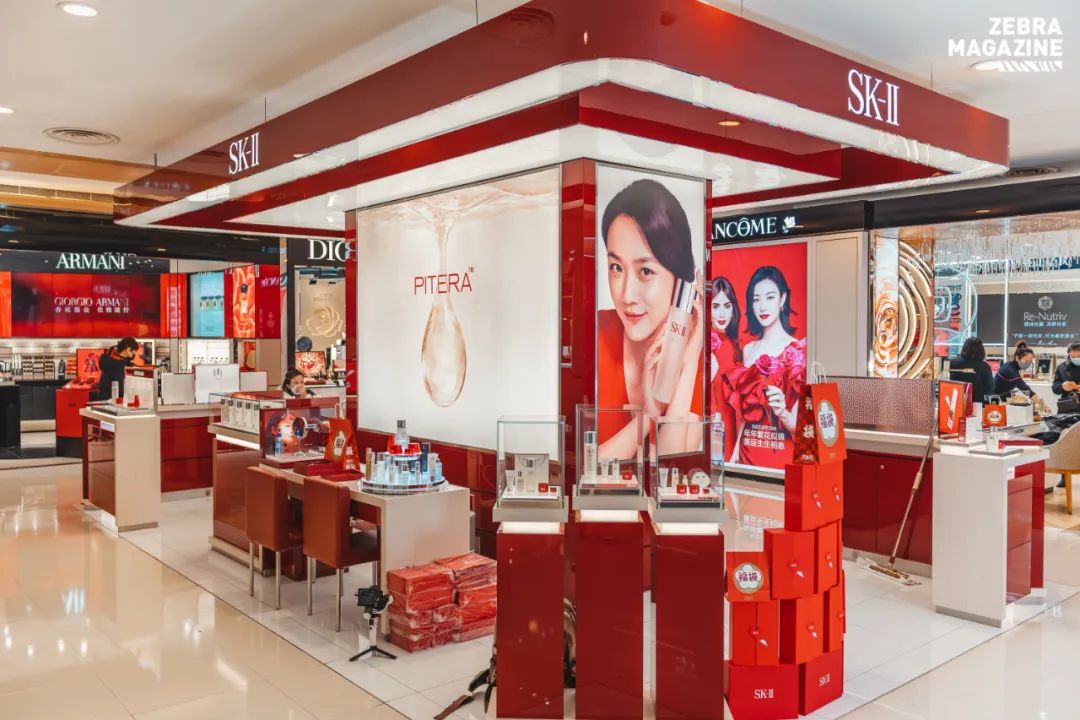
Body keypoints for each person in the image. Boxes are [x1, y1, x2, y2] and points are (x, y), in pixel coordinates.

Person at [597, 178, 703, 458]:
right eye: (616, 267)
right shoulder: (596, 334)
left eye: (645, 272)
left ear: (680, 277)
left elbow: (671, 469)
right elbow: (587, 469)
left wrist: (689, 363)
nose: (626, 295)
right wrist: (649, 415)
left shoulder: (694, 355)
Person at [723, 266, 806, 467]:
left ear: (782, 299)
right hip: (748, 452)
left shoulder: (797, 351)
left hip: (779, 455)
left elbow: (801, 430)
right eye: (756, 300)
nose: (762, 307)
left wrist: (782, 411)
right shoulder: (748, 349)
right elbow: (744, 411)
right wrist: (735, 450)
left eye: (769, 298)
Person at [710, 276, 741, 460]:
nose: (722, 314)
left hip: (729, 426)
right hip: (709, 426)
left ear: (733, 309)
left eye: (727, 306)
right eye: (715, 306)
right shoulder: (701, 341)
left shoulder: (733, 345)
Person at [948, 336, 994, 404]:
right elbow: (990, 388)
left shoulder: (954, 363)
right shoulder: (984, 366)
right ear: (981, 350)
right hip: (977, 404)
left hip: (957, 403)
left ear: (965, 347)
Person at [94, 337, 139, 401]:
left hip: (103, 401)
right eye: (133, 352)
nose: (134, 355)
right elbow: (121, 389)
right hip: (112, 403)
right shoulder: (118, 366)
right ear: (128, 349)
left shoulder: (109, 361)